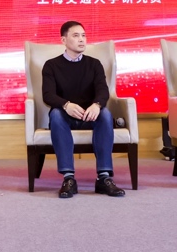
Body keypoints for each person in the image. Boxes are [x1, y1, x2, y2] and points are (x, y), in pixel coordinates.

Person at [40, 21, 125, 198]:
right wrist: (66, 105)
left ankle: (104, 178)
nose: (81, 40)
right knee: (56, 114)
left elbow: (103, 91)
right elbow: (48, 95)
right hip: (66, 116)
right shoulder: (51, 65)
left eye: (84, 36)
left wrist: (96, 105)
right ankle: (68, 178)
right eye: (76, 35)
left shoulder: (94, 64)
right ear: (64, 40)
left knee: (105, 114)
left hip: (90, 116)